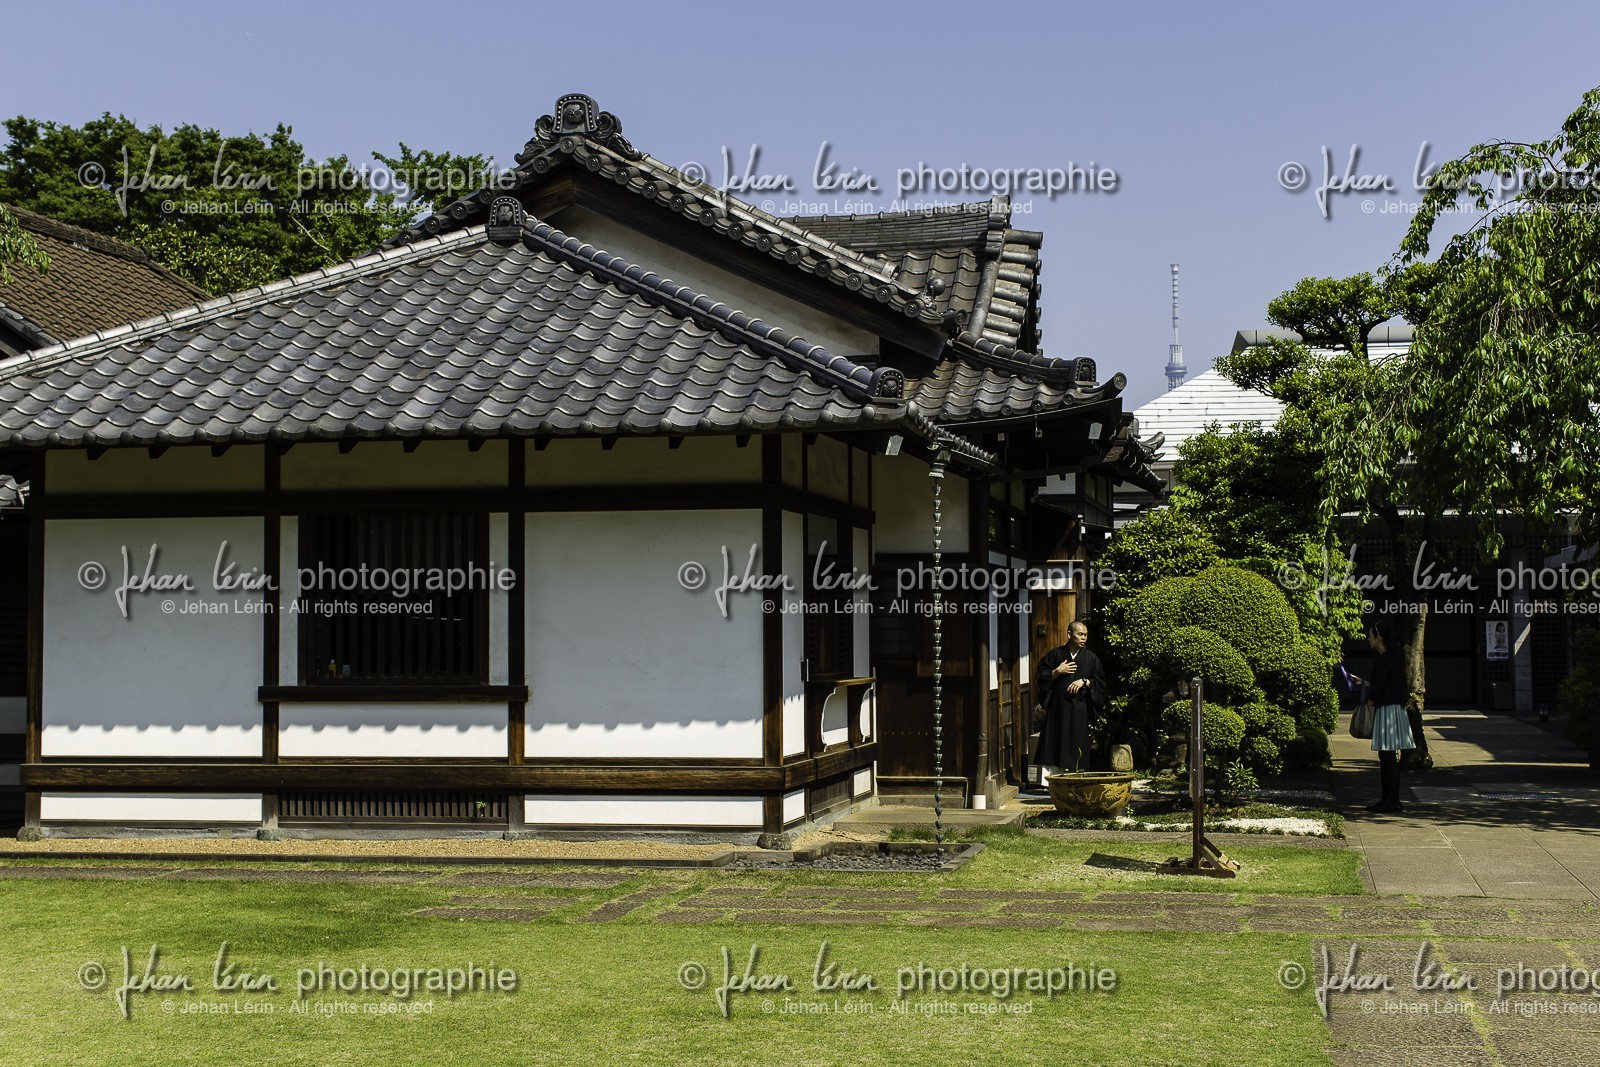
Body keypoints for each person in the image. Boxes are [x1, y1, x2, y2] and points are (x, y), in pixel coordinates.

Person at [1348, 622, 1414, 813]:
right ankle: (1391, 800)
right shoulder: (1392, 658)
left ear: (1379, 638)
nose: (1368, 638)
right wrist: (1366, 683)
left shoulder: (1384, 659)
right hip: (1394, 709)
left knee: (1387, 758)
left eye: (1371, 635)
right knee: (1389, 757)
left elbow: (1378, 689)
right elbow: (1386, 684)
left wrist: (1368, 700)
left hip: (1387, 711)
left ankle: (1390, 801)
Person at [1034, 620, 1107, 778]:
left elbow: (1100, 681)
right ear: (1069, 634)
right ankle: (1051, 780)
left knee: (1076, 742)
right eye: (1080, 634)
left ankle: (1076, 777)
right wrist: (1056, 671)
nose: (1083, 638)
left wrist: (1085, 681)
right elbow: (1041, 675)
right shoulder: (1056, 655)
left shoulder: (1091, 658)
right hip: (1058, 708)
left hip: (1079, 709)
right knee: (1054, 742)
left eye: (1085, 635)